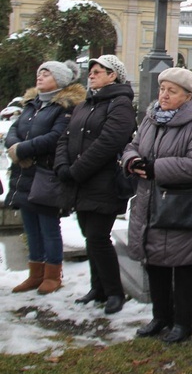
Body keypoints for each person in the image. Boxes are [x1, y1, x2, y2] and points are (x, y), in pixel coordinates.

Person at [123, 67, 192, 343]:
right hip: (150, 201)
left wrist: (155, 168)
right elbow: (133, 145)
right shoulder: (151, 119)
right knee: (155, 262)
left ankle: (183, 322)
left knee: (183, 265)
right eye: (162, 89)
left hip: (182, 205)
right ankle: (160, 316)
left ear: (187, 97)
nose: (164, 95)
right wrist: (132, 161)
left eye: (172, 91)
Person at [55, 55, 135, 314]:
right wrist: (61, 166)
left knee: (99, 236)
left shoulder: (120, 104)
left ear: (113, 76)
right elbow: (65, 137)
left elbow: (109, 142)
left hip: (104, 182)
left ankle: (114, 292)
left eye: (99, 71)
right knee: (90, 236)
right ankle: (97, 288)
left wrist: (76, 170)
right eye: (91, 71)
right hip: (80, 181)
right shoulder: (85, 104)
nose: (91, 74)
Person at [5, 61, 86, 294]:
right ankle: (35, 273)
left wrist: (23, 150)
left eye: (46, 73)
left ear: (59, 80)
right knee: (30, 226)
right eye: (39, 72)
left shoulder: (65, 106)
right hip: (24, 173)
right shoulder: (31, 104)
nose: (39, 76)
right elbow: (14, 130)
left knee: (48, 227)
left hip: (46, 174)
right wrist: (16, 149)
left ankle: (53, 274)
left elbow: (55, 136)